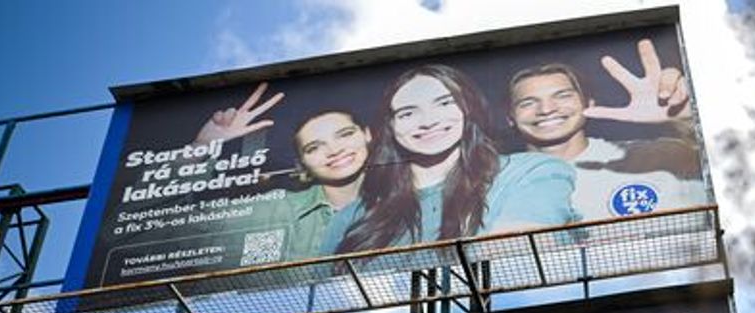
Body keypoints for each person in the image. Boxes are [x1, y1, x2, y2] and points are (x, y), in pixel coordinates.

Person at [327, 64, 577, 253]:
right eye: (408, 113)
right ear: (390, 126)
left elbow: (516, 258)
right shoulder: (354, 215)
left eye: (444, 103)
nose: (428, 121)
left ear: (467, 109)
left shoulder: (529, 172)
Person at [506, 40, 707, 219]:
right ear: (510, 119)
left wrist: (688, 119)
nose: (547, 109)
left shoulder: (661, 157)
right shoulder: (491, 184)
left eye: (563, 95)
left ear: (589, 103)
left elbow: (728, 170)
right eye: (528, 103)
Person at [194, 83, 372, 259]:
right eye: (313, 147)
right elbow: (175, 230)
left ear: (367, 134)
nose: (334, 150)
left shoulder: (397, 203)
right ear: (301, 162)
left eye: (345, 134)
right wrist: (198, 149)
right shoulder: (273, 210)